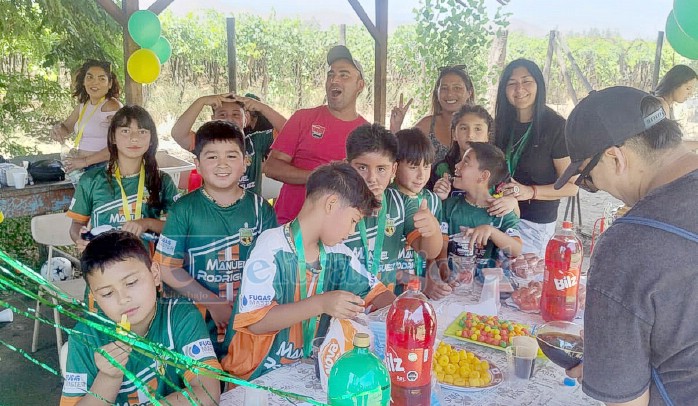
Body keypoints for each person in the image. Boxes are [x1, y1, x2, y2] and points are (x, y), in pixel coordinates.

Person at [558, 87, 698, 405]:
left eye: (587, 180)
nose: (595, 188)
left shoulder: (628, 246)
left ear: (615, 157)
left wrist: (609, 362)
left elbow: (626, 402)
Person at [221, 162, 396, 380]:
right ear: (331, 204)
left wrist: (403, 314)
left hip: (308, 372)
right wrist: (322, 304)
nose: (352, 232)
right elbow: (256, 322)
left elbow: (380, 295)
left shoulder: (339, 253)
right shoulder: (271, 246)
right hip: (258, 375)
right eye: (353, 221)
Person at [155, 121, 277, 357]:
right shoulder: (184, 210)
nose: (222, 164)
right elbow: (167, 268)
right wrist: (213, 302)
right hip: (195, 325)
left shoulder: (261, 210)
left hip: (248, 323)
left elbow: (273, 268)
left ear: (246, 163)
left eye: (231, 156)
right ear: (197, 165)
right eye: (212, 157)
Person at [60, 231, 221, 406]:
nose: (123, 299)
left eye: (131, 283)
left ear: (155, 274)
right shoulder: (85, 338)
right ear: (94, 297)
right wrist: (108, 377)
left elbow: (208, 394)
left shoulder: (180, 317)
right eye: (107, 293)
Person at [263, 45, 367, 224]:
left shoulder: (367, 133)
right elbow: (271, 167)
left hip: (340, 231)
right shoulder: (303, 118)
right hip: (290, 225)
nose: (334, 79)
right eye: (331, 74)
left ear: (360, 85)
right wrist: (321, 176)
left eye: (344, 74)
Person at [343, 124, 444, 293]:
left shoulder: (402, 203)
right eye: (362, 168)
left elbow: (428, 251)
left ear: (393, 170)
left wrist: (432, 230)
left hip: (383, 302)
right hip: (341, 301)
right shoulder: (334, 201)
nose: (372, 178)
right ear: (347, 166)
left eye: (381, 169)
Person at [493, 58, 577, 257]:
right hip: (498, 217)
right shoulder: (499, 125)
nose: (519, 88)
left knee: (525, 282)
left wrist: (530, 192)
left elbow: (572, 186)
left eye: (526, 81)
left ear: (539, 85)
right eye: (511, 83)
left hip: (534, 224)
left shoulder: (556, 127)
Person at [67, 105, 178, 252]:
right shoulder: (90, 180)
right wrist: (81, 239)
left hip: (145, 267)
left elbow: (177, 227)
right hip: (103, 266)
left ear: (151, 139)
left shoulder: (162, 181)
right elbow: (76, 225)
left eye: (142, 131)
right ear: (113, 137)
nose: (134, 138)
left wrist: (147, 223)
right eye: (125, 131)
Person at [441, 142, 522, 289]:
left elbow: (516, 249)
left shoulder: (502, 211)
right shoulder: (449, 206)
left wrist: (491, 232)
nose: (457, 166)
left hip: (488, 291)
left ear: (483, 176)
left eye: (465, 162)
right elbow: (440, 248)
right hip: (454, 287)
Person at [171, 92, 286, 195]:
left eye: (236, 114)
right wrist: (201, 101)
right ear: (213, 119)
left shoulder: (256, 142)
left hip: (250, 213)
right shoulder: (206, 143)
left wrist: (262, 107)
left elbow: (289, 132)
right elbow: (178, 134)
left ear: (246, 118)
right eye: (222, 115)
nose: (229, 119)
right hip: (214, 212)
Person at [391, 128, 447, 292]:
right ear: (395, 166)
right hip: (388, 291)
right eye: (414, 167)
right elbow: (380, 264)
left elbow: (432, 256)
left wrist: (435, 278)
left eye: (427, 166)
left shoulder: (433, 201)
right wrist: (422, 284)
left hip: (419, 290)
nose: (421, 175)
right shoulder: (385, 200)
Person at [390, 65, 476, 161]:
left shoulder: (479, 126)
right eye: (444, 88)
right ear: (437, 93)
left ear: (469, 92)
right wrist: (396, 126)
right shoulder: (427, 126)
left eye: (457, 88)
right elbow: (401, 156)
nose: (450, 94)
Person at [51, 60, 122, 173]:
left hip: (104, 169)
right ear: (83, 81)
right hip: (83, 168)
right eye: (90, 77)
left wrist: (84, 161)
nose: (95, 83)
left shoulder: (112, 106)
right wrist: (57, 130)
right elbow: (66, 127)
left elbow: (118, 145)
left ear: (110, 84)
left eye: (101, 79)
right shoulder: (83, 105)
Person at [429, 104, 493, 198]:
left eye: (477, 129)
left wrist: (511, 202)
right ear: (454, 134)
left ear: (488, 135)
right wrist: (438, 197)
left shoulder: (497, 167)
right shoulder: (442, 169)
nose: (470, 135)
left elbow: (508, 199)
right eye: (464, 128)